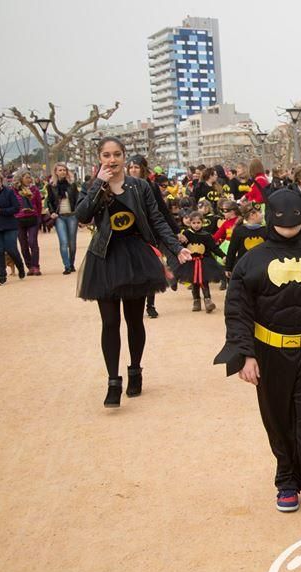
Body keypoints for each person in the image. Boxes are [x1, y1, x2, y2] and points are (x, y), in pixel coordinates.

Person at [214, 188, 301, 523]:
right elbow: (238, 311)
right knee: (277, 419)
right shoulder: (251, 261)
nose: (289, 221)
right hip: (268, 352)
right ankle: (287, 479)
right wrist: (245, 354)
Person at [76, 136, 191, 407]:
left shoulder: (139, 187)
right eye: (106, 155)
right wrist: (99, 185)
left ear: (125, 157)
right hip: (104, 256)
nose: (112, 160)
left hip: (135, 255)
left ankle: (135, 370)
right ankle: (113, 382)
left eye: (117, 154)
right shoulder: (92, 186)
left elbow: (157, 219)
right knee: (109, 322)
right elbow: (82, 215)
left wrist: (175, 248)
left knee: (134, 319)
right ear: (100, 158)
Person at [126, 155, 181, 319]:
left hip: (150, 233)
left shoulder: (151, 186)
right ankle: (134, 302)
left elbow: (162, 210)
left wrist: (176, 230)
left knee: (151, 268)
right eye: (131, 167)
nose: (133, 170)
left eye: (136, 167)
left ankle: (150, 304)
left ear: (143, 169)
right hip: (130, 234)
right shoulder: (122, 186)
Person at [173, 212, 225, 313]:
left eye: (198, 222)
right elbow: (181, 246)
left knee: (204, 281)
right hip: (191, 262)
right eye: (194, 223)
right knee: (195, 283)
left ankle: (208, 301)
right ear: (190, 223)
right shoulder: (186, 234)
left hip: (204, 261)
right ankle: (196, 301)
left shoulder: (206, 235)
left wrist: (223, 255)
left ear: (202, 223)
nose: (196, 225)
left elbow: (214, 248)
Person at [13, 169, 44, 276]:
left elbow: (39, 204)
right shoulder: (14, 190)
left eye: (30, 177)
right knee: (23, 245)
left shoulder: (34, 190)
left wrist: (39, 217)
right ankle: (29, 266)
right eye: (26, 177)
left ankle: (36, 266)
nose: (29, 179)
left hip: (33, 219)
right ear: (20, 178)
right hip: (19, 220)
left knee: (32, 242)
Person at [224, 201, 265, 277]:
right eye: (260, 212)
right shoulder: (239, 231)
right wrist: (228, 268)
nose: (263, 214)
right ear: (252, 215)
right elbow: (232, 250)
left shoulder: (265, 230)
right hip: (243, 268)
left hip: (261, 268)